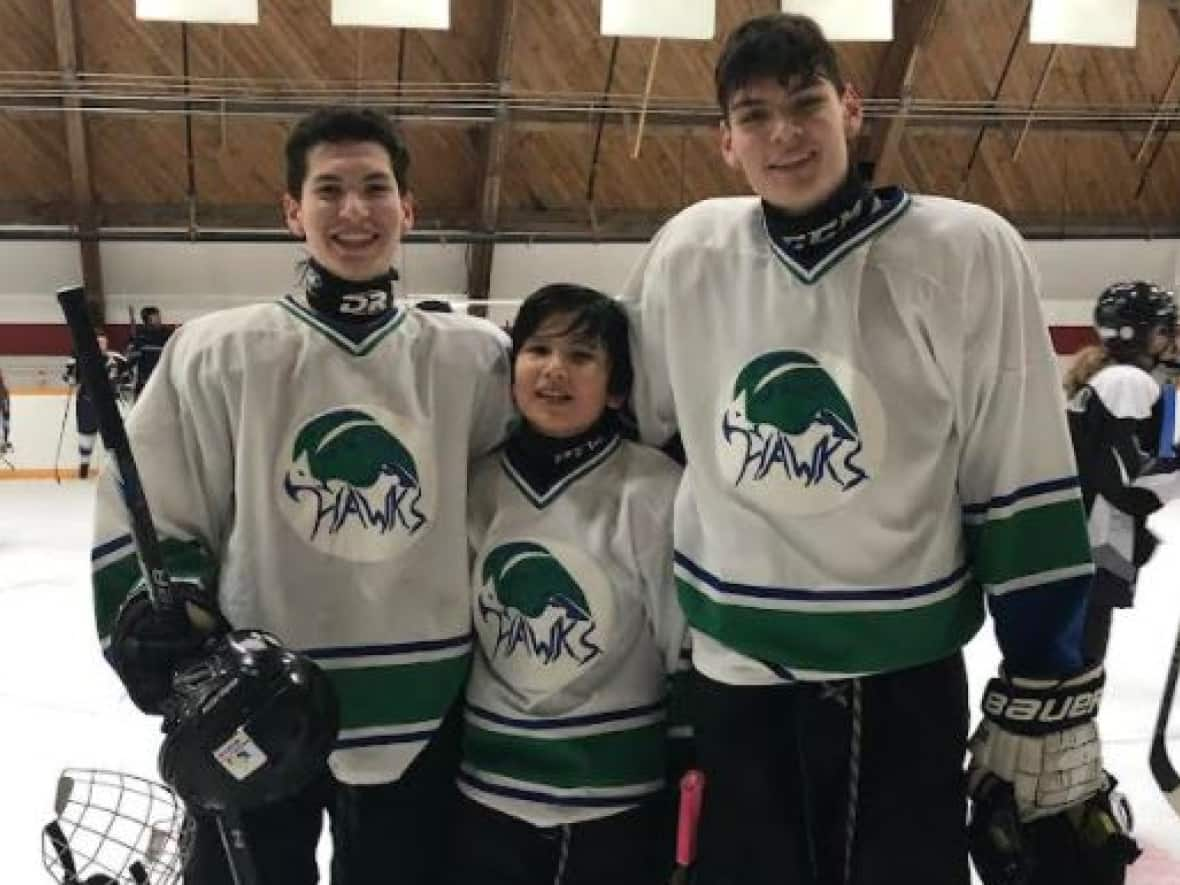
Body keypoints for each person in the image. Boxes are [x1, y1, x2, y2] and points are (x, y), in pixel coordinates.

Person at [620, 13, 1116, 885]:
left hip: (899, 678)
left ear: (851, 107)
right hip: (733, 673)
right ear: (725, 141)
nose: (785, 133)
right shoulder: (688, 251)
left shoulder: (964, 250)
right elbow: (642, 437)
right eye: (754, 115)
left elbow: (1019, 471)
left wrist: (1046, 670)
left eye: (806, 102)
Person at [90, 106, 515, 885]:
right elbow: (161, 502)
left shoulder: (476, 361)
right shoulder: (219, 354)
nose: (354, 211)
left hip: (426, 706)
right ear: (292, 211)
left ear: (408, 208)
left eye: (376, 188)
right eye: (328, 190)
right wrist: (156, 615)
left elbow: (518, 510)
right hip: (252, 704)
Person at [447, 284, 686, 885]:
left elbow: (683, 642)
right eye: (538, 350)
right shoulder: (475, 485)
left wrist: (690, 757)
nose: (555, 369)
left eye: (581, 356)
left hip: (617, 795)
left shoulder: (655, 489)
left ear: (617, 388)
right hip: (487, 789)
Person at [1064, 281, 1178, 662]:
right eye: (1164, 330)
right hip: (1095, 545)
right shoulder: (1127, 381)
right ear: (1139, 334)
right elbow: (1129, 483)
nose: (1170, 341)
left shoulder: (1114, 377)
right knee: (1081, 658)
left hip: (1087, 542)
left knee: (1078, 653)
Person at [63, 330, 129, 478]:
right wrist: (71, 376)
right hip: (87, 402)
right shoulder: (82, 358)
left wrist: (120, 379)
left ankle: (116, 468)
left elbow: (126, 377)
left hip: (110, 403)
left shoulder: (116, 358)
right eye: (98, 342)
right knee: (86, 434)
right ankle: (84, 465)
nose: (101, 345)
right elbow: (69, 378)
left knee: (114, 436)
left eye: (103, 341)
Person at [125, 305, 173, 398]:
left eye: (159, 317)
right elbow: (131, 359)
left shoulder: (167, 334)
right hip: (146, 382)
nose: (159, 320)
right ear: (148, 320)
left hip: (164, 381)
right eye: (156, 318)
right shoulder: (141, 337)